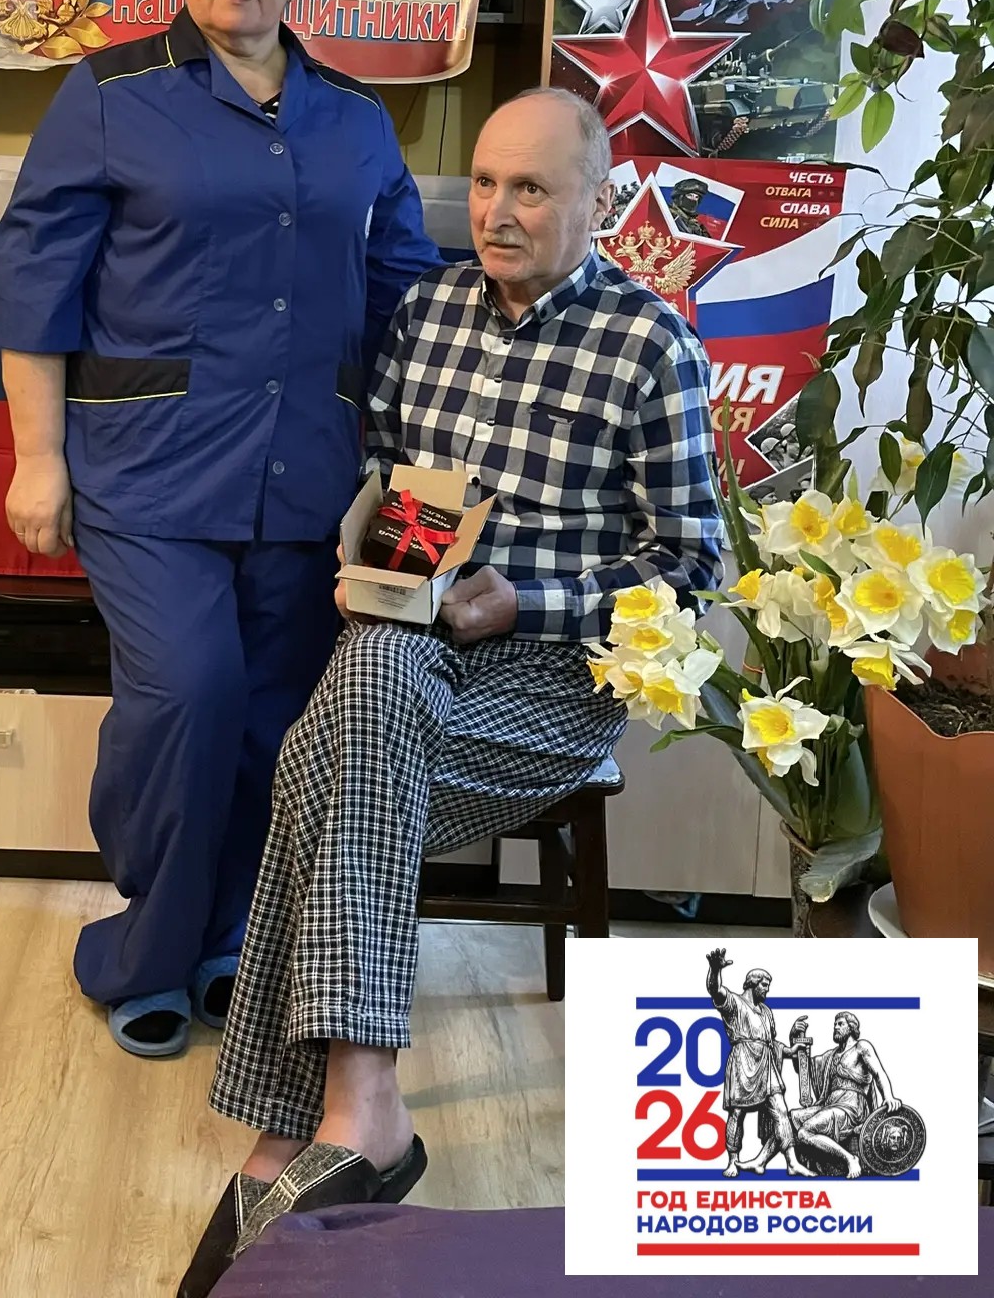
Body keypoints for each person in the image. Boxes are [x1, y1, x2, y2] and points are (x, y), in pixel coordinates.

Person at [179, 86, 723, 1295]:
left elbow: (693, 570)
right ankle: (355, 1105)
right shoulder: (426, 313)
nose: (497, 211)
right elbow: (389, 471)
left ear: (598, 201)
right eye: (483, 183)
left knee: (320, 750)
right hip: (413, 640)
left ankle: (295, 1125)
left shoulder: (652, 344)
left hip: (555, 675)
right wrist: (368, 551)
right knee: (375, 666)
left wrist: (525, 602)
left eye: (531, 188)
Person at [0, 0, 442, 1060]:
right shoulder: (111, 93)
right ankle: (144, 951)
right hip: (148, 474)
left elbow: (407, 296)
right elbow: (34, 285)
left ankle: (235, 940)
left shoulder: (357, 123)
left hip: (309, 481)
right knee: (187, 696)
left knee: (275, 721)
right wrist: (38, 459)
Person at [754, 1009, 902, 1178]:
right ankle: (761, 1161)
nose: (836, 1027)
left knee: (804, 1133)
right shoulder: (831, 1056)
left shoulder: (861, 1047)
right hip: (830, 1104)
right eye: (835, 1024)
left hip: (851, 1107)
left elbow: (878, 1073)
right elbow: (803, 1068)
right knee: (789, 1118)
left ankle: (850, 1159)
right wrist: (794, 1037)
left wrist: (888, 1096)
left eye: (840, 1024)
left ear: (851, 1027)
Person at [706, 951, 813, 1178]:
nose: (767, 990)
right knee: (737, 1113)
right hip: (743, 1062)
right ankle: (733, 1160)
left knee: (781, 1110)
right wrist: (715, 970)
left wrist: (790, 1050)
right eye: (764, 985)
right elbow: (715, 990)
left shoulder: (766, 1011)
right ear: (752, 983)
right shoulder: (734, 1003)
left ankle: (792, 1162)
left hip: (767, 1065)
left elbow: (771, 1043)